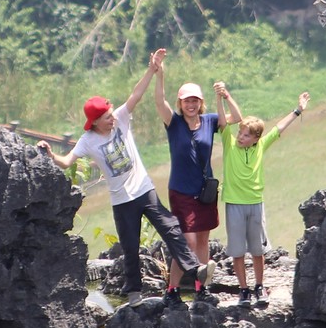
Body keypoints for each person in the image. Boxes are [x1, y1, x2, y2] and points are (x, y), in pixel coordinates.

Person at [39, 48, 208, 306]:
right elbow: (66, 162)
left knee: (171, 227)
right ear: (95, 122)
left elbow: (136, 95)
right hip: (121, 200)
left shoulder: (121, 118)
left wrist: (152, 70)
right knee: (130, 247)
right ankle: (134, 293)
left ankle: (195, 270)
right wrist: (51, 155)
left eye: (111, 115)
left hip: (144, 189)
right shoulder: (88, 140)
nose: (112, 120)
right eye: (107, 118)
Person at [214, 81, 309, 306]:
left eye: (246, 135)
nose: (240, 137)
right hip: (234, 204)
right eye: (240, 133)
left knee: (258, 250)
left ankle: (259, 286)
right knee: (237, 251)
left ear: (256, 138)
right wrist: (222, 97)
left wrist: (298, 110)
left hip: (256, 203)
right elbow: (223, 121)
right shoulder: (229, 143)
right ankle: (243, 290)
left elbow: (279, 128)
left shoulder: (261, 146)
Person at [157, 75, 221, 293]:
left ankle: (201, 287)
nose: (191, 105)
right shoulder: (174, 123)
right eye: (187, 101)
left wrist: (223, 96)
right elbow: (159, 101)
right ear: (180, 103)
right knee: (187, 243)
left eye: (195, 101)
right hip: (182, 192)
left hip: (205, 192)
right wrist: (159, 73)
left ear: (201, 102)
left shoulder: (210, 121)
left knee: (203, 240)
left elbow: (236, 118)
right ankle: (172, 289)